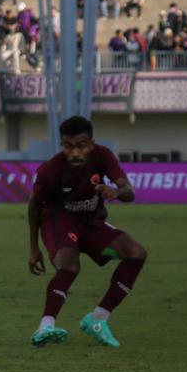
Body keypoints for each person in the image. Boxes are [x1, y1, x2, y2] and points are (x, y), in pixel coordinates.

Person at [28, 116, 147, 348]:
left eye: (81, 145)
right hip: (58, 221)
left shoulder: (102, 156)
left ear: (92, 144)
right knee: (69, 265)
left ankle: (98, 319)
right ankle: (45, 326)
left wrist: (116, 192)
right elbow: (34, 205)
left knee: (136, 253)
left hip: (90, 221)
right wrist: (34, 248)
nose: (75, 152)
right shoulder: (51, 170)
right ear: (62, 145)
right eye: (68, 146)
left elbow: (129, 191)